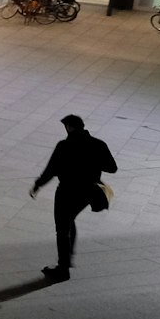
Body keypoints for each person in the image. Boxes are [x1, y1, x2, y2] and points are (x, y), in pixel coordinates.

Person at [31, 114, 117, 281]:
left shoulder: (64, 145)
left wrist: (38, 184)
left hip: (66, 191)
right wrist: (93, 163)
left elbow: (52, 169)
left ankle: (63, 269)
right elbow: (112, 168)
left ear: (69, 127)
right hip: (88, 191)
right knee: (69, 220)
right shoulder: (98, 144)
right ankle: (68, 259)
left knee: (62, 228)